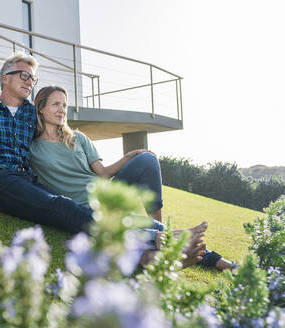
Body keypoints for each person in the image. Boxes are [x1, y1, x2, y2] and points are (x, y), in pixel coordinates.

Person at [0, 53, 207, 269]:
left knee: (81, 211)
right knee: (62, 208)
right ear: (5, 78)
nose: (29, 82)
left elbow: (42, 154)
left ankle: (160, 248)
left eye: (32, 78)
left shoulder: (28, 121)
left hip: (21, 182)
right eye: (23, 75)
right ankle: (157, 241)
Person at [29, 85, 235, 270]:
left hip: (105, 196)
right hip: (80, 210)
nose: (62, 110)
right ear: (40, 108)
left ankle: (163, 229)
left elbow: (102, 173)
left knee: (147, 159)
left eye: (64, 105)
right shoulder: (32, 147)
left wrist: (130, 156)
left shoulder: (78, 138)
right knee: (157, 232)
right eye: (55, 104)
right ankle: (218, 261)